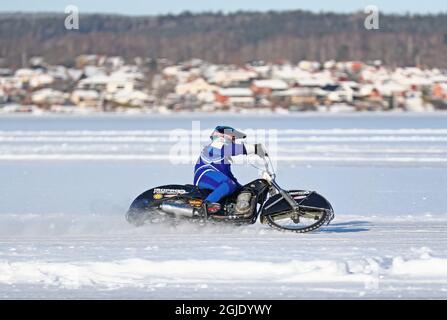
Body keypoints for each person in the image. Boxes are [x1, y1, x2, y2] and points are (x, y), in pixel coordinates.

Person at [193, 125, 266, 214]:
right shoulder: (215, 146)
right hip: (204, 177)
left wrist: (242, 189)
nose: (234, 140)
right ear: (224, 135)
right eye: (233, 137)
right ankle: (206, 205)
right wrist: (255, 148)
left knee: (232, 185)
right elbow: (233, 149)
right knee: (228, 184)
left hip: (213, 178)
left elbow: (228, 176)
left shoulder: (222, 157)